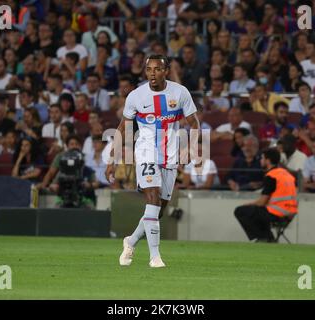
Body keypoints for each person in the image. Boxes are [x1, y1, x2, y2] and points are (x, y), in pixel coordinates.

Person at [105, 55, 200, 268]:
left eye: (157, 69)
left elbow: (194, 122)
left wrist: (191, 147)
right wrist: (113, 158)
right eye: (149, 69)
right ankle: (154, 257)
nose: (152, 74)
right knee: (152, 199)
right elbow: (122, 128)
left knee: (158, 209)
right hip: (146, 152)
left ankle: (130, 241)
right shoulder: (136, 96)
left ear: (166, 70)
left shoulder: (180, 92)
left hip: (171, 156)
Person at [234, 148, 298, 242]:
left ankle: (264, 237)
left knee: (240, 211)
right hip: (290, 213)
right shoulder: (286, 174)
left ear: (267, 160)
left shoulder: (271, 176)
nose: (260, 160)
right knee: (258, 212)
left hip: (277, 213)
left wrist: (248, 204)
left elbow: (262, 202)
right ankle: (267, 237)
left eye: (262, 158)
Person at [35, 134, 97, 206]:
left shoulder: (86, 167)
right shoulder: (63, 171)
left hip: (83, 198)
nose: (74, 146)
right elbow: (54, 184)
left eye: (76, 144)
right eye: (72, 144)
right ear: (67, 147)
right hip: (64, 199)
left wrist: (89, 185)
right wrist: (53, 187)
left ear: (80, 146)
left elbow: (96, 183)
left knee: (89, 205)